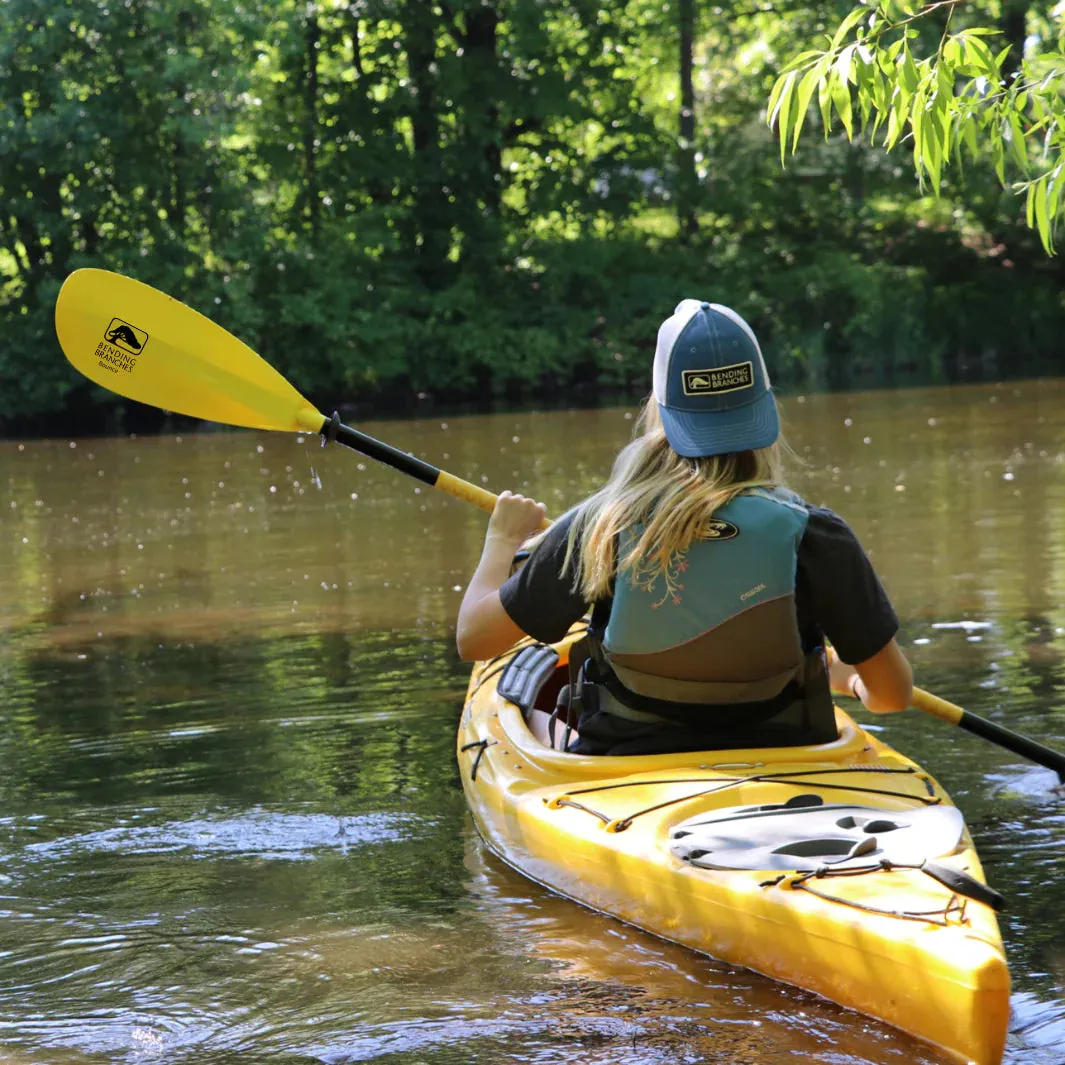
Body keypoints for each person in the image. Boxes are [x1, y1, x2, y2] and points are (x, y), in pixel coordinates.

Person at [456, 299, 913, 755]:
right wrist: (851, 681)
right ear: (764, 408)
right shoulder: (817, 535)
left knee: (532, 705)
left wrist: (501, 540)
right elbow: (893, 697)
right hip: (787, 753)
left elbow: (475, 639)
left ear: (659, 411)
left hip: (626, 766)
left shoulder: (599, 529)